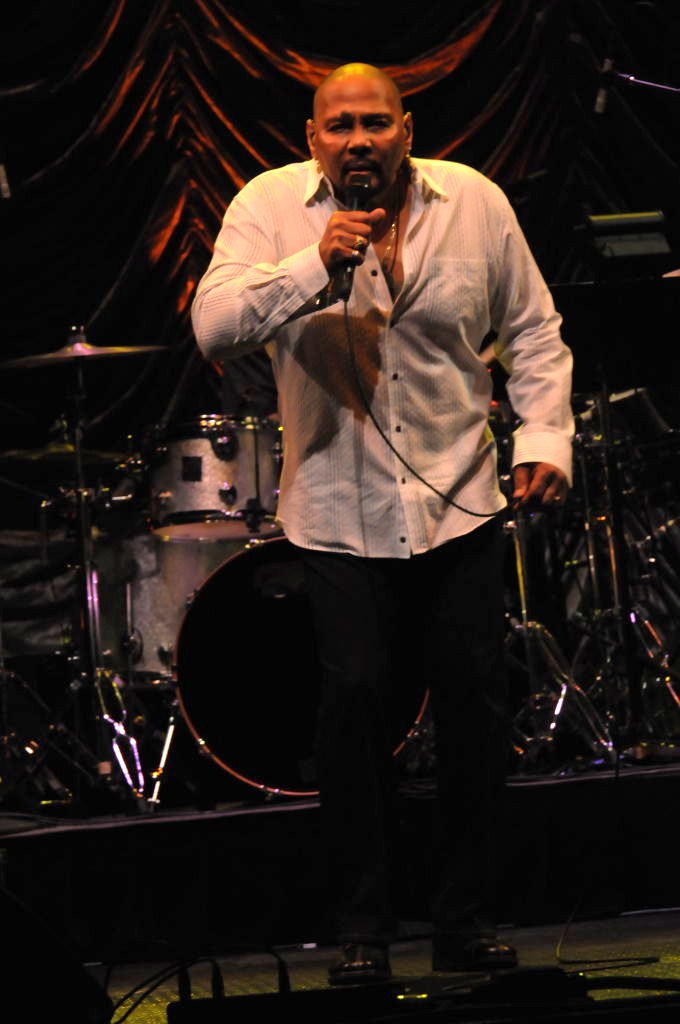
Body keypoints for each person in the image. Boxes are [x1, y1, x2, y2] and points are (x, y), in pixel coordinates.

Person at [191, 62, 573, 984]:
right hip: (337, 506)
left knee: (475, 706)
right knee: (355, 703)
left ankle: (465, 919)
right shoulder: (268, 207)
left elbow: (532, 329)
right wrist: (312, 264)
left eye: (375, 123)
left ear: (407, 129)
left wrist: (545, 438)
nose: (358, 140)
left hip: (458, 498)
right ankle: (363, 925)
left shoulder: (472, 201)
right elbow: (214, 327)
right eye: (339, 126)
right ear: (312, 138)